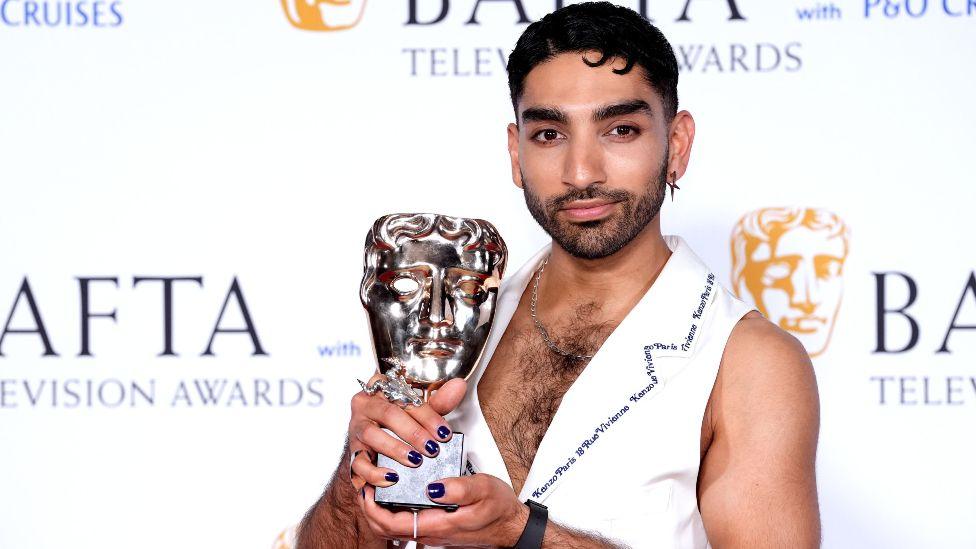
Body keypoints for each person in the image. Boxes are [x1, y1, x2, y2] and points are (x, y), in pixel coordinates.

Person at [296, 2, 821, 548]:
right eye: (549, 134)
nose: (581, 173)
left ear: (677, 146)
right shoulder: (448, 321)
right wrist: (352, 482)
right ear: (516, 152)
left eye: (620, 129)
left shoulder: (748, 360)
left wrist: (522, 535)